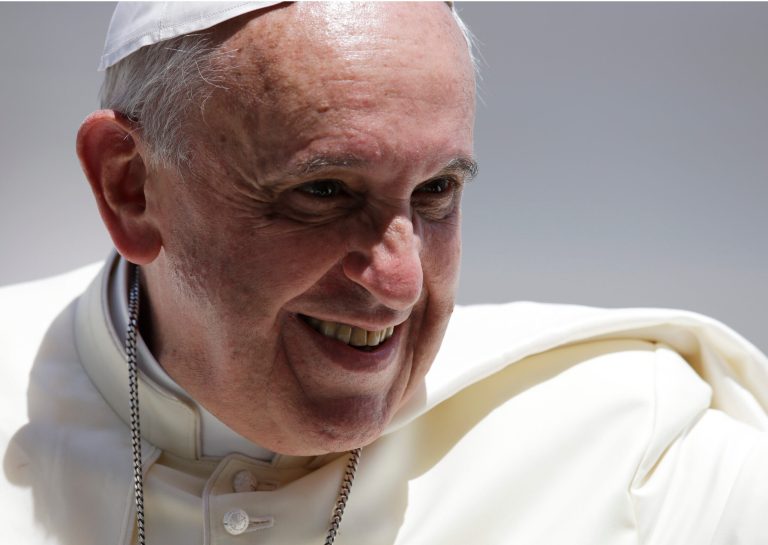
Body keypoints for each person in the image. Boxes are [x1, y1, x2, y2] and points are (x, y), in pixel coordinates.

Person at [2, 2, 767, 544]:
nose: (399, 282)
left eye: (437, 191)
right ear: (129, 186)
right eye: (324, 191)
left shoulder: (636, 444)